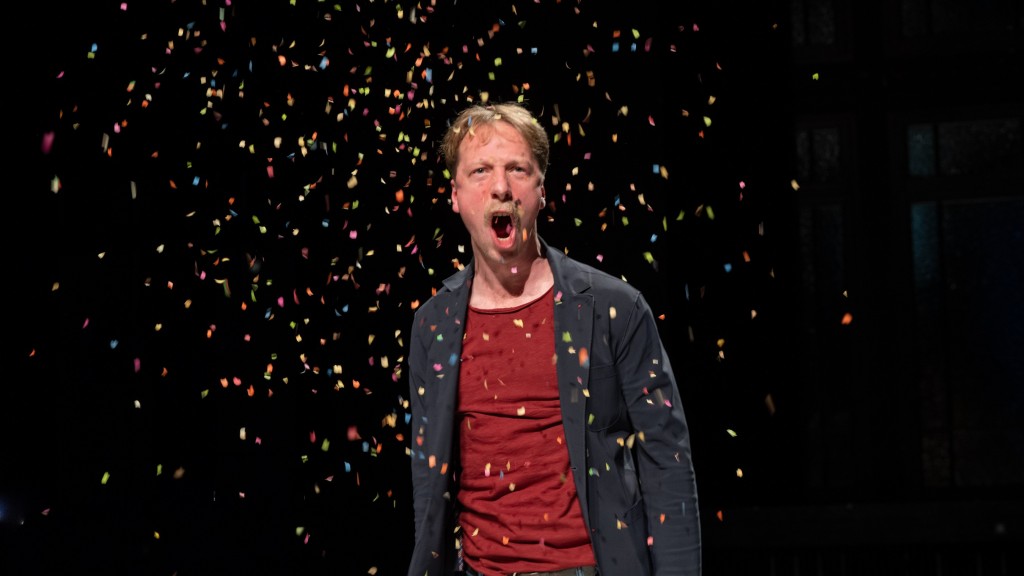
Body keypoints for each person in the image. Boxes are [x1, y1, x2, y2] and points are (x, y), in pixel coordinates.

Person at [407, 101, 701, 576]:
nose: (501, 187)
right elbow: (429, 480)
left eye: (517, 169)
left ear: (541, 191)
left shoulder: (614, 308)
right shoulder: (433, 326)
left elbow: (667, 461)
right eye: (481, 171)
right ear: (455, 195)